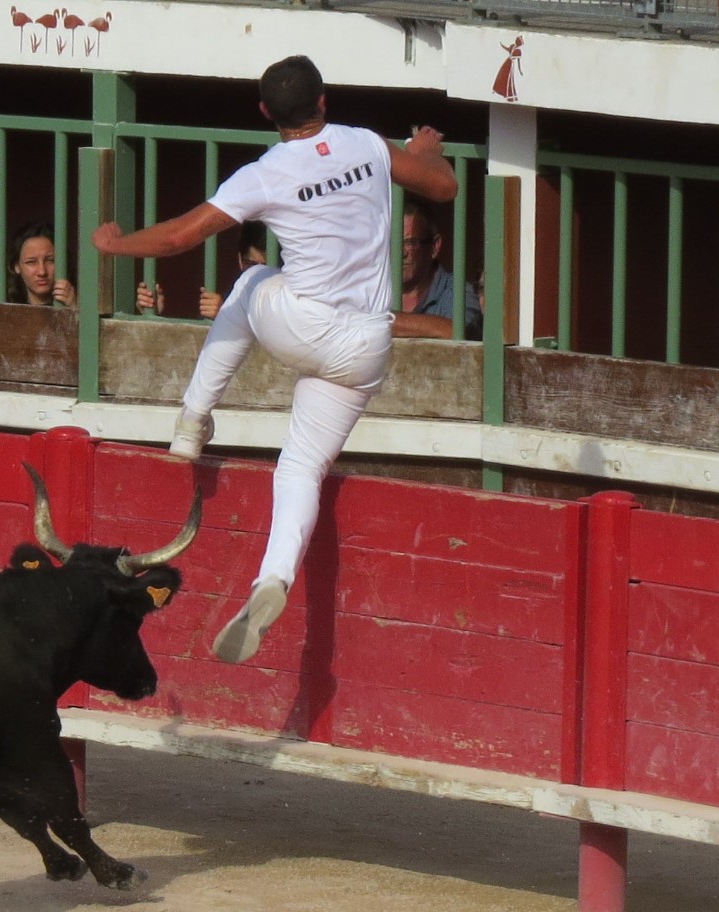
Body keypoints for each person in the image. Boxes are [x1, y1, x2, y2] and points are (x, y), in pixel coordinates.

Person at [92, 54, 457, 665]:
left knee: (253, 278)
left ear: (265, 112)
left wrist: (115, 244)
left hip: (303, 325)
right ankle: (273, 577)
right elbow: (443, 186)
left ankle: (192, 421)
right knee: (301, 468)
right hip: (368, 344)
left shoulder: (265, 172)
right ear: (324, 100)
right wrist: (423, 151)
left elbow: (180, 236)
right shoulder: (368, 144)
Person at [136, 221, 269, 318]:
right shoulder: (234, 297)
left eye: (267, 266)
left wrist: (225, 317)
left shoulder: (282, 298)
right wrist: (154, 314)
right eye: (251, 264)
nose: (258, 272)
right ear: (240, 260)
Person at [393, 200, 481, 340]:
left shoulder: (458, 293)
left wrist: (386, 322)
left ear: (434, 247)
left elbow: (459, 332)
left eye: (410, 242)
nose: (400, 252)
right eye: (392, 243)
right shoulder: (374, 290)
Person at [6, 220, 75, 306]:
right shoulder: (5, 310)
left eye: (50, 260)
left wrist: (74, 308)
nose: (42, 272)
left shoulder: (83, 303)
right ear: (17, 266)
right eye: (31, 262)